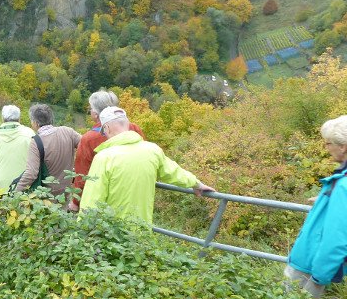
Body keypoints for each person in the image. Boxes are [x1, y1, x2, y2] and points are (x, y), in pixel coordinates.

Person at [79, 106, 214, 224]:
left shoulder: (104, 157)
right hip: (141, 229)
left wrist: (81, 232)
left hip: (112, 233)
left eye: (103, 132)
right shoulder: (152, 150)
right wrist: (196, 184)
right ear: (127, 125)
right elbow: (173, 172)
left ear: (106, 128)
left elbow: (92, 199)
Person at [285, 115, 347, 299]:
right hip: (313, 263)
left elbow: (337, 238)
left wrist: (319, 276)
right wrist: (325, 199)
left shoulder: (343, 185)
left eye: (328, 143)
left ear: (342, 146)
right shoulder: (340, 182)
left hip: (310, 266)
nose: (326, 148)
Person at [70, 90, 145, 211]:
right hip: (134, 191)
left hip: (102, 196)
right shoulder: (134, 128)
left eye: (91, 109)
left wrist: (75, 202)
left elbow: (82, 176)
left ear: (96, 113)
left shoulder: (89, 139)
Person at [13, 104, 81, 205]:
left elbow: (31, 173)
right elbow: (86, 146)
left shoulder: (36, 142)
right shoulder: (68, 132)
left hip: (47, 196)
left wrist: (16, 192)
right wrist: (77, 170)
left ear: (35, 123)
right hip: (67, 192)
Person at [0, 105, 34, 195]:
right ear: (19, 119)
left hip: (0, 186)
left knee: (0, 208)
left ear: (3, 118)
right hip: (22, 185)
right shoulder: (29, 133)